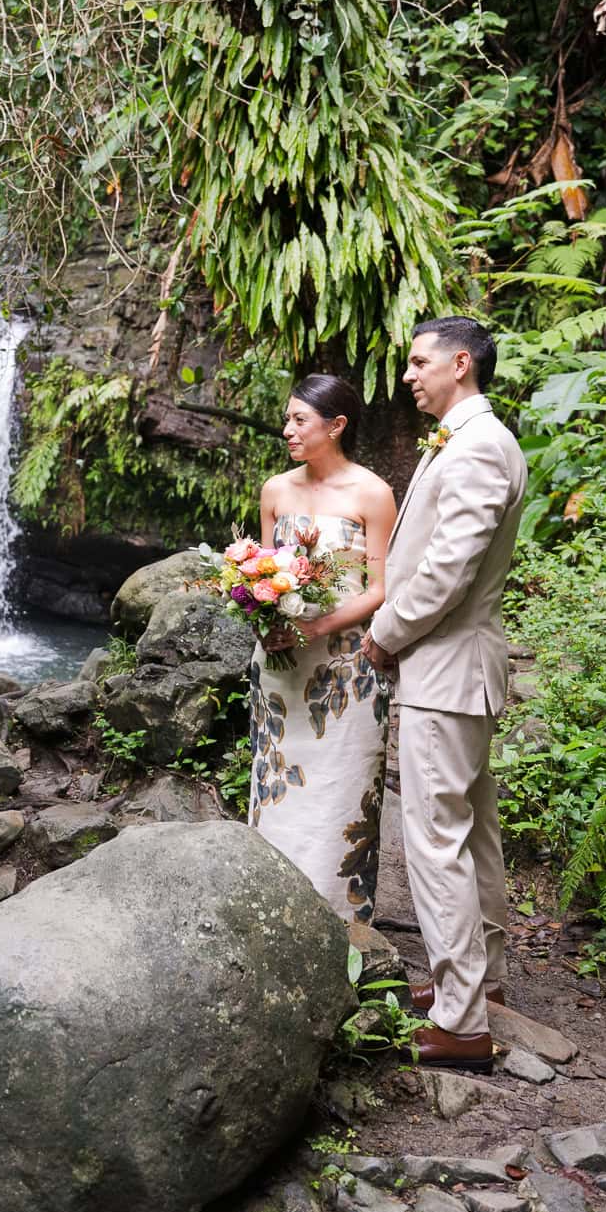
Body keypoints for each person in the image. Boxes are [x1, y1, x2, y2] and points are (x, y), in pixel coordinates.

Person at [362, 315, 527, 1074]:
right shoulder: (469, 440)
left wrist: (386, 631)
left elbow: (446, 570)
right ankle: (476, 979)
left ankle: (463, 1023)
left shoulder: (481, 446)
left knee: (434, 838)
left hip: (447, 665)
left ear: (461, 364)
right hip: (458, 668)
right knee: (472, 829)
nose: (408, 375)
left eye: (419, 361)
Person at [247, 373, 397, 922]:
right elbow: (263, 575)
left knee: (340, 784)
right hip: (281, 664)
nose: (287, 429)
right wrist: (266, 624)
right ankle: (269, 909)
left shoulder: (373, 493)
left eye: (299, 420)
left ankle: (339, 919)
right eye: (287, 418)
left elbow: (381, 589)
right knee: (278, 781)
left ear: (336, 426)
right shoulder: (275, 490)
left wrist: (318, 626)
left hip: (347, 669)